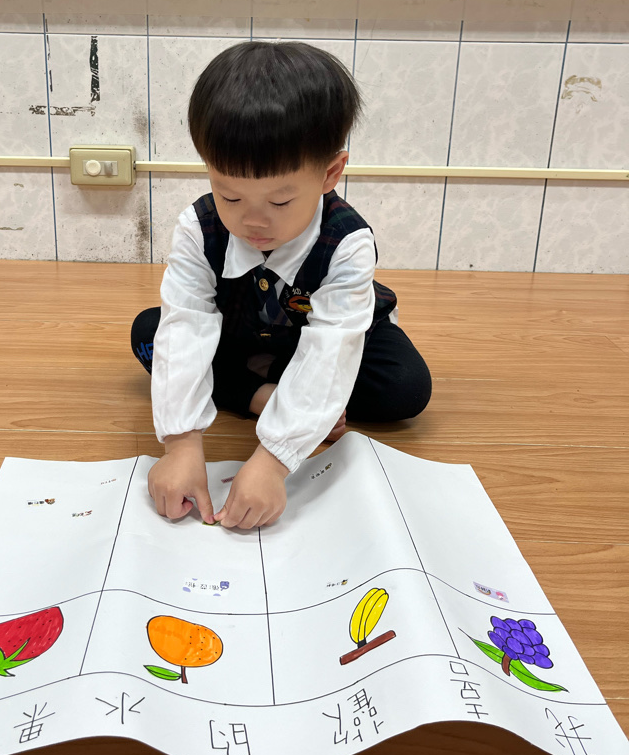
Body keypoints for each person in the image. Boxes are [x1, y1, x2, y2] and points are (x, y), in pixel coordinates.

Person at [131, 41, 431, 531]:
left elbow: (333, 344)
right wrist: (181, 444)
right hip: (246, 330)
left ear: (330, 173)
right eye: (229, 196)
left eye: (280, 202)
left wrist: (273, 460)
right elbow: (186, 322)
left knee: (405, 388)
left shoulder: (347, 242)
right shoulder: (197, 228)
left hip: (328, 332)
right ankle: (262, 394)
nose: (253, 221)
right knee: (149, 332)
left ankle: (279, 392)